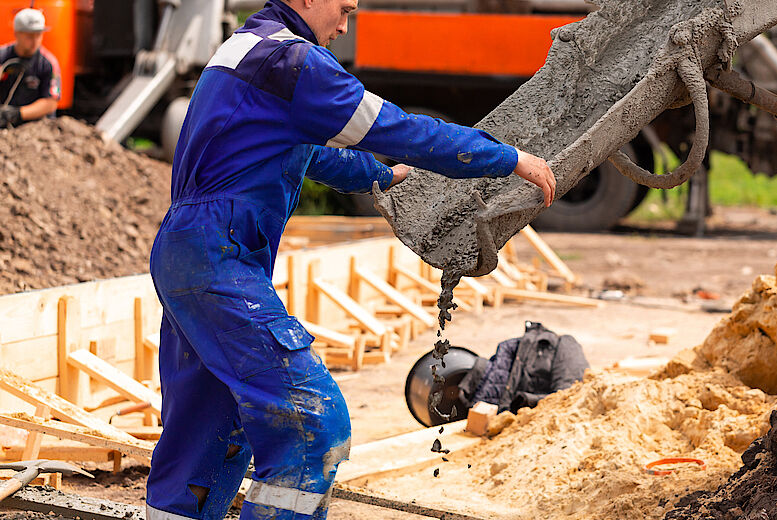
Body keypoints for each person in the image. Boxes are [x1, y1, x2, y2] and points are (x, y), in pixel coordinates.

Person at [145, 0, 556, 518]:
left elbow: (309, 153)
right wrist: (508, 157)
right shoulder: (294, 62)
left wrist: (383, 176)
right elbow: (399, 128)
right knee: (313, 424)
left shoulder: (244, 50)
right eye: (343, 9)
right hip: (219, 255)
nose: (344, 26)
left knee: (203, 428)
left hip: (185, 251)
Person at [0, 8, 60, 128]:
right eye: (30, 36)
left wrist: (18, 113)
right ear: (16, 34)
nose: (35, 41)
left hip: (36, 129)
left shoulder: (48, 63)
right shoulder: (2, 56)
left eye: (38, 35)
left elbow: (51, 103)